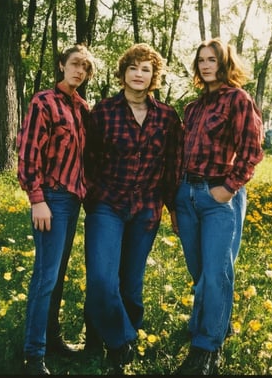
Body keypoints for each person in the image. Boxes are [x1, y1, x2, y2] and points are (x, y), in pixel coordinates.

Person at [83, 43, 183, 373]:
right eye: (133, 68)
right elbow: (89, 157)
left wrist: (170, 206)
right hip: (107, 205)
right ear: (123, 73)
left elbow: (173, 165)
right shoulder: (104, 111)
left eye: (146, 69)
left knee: (131, 285)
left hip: (146, 210)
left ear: (154, 76)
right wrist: (94, 195)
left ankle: (107, 342)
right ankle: (122, 339)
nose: (139, 74)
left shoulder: (168, 117)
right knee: (101, 279)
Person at [173, 38, 264, 375]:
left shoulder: (238, 100)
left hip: (217, 198)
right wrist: (176, 200)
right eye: (201, 60)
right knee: (200, 273)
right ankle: (215, 323)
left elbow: (252, 150)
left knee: (215, 273)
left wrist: (227, 188)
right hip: (187, 195)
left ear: (225, 63)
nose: (206, 65)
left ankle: (207, 349)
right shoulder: (193, 108)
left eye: (212, 59)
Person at [17, 44, 95, 375]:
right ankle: (33, 355)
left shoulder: (82, 108)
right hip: (51, 198)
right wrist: (37, 199)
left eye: (86, 68)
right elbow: (28, 151)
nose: (80, 71)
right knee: (46, 276)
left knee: (58, 275)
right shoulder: (43, 102)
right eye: (75, 64)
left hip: (74, 199)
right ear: (62, 65)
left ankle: (50, 338)